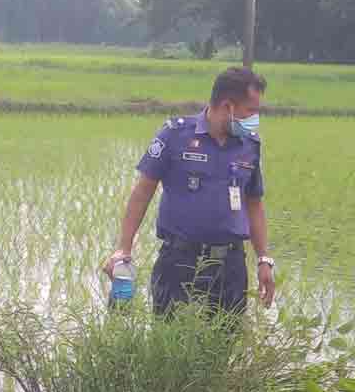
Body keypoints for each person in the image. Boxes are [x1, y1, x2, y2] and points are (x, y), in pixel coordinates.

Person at [102, 66, 275, 317]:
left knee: (224, 344)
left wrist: (263, 259)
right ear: (228, 106)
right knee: (170, 341)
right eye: (251, 111)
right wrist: (124, 248)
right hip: (179, 260)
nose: (255, 118)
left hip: (230, 265)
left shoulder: (249, 145)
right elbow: (143, 192)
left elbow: (254, 203)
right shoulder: (175, 134)